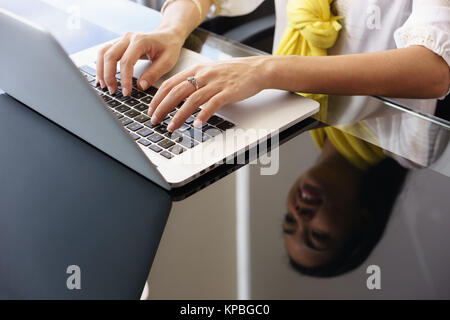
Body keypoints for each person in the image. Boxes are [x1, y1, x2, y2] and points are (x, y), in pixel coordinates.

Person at [95, 0, 449, 133]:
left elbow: (433, 68)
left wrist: (265, 70)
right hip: (289, 115)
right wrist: (171, 30)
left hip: (383, 130)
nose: (300, 214)